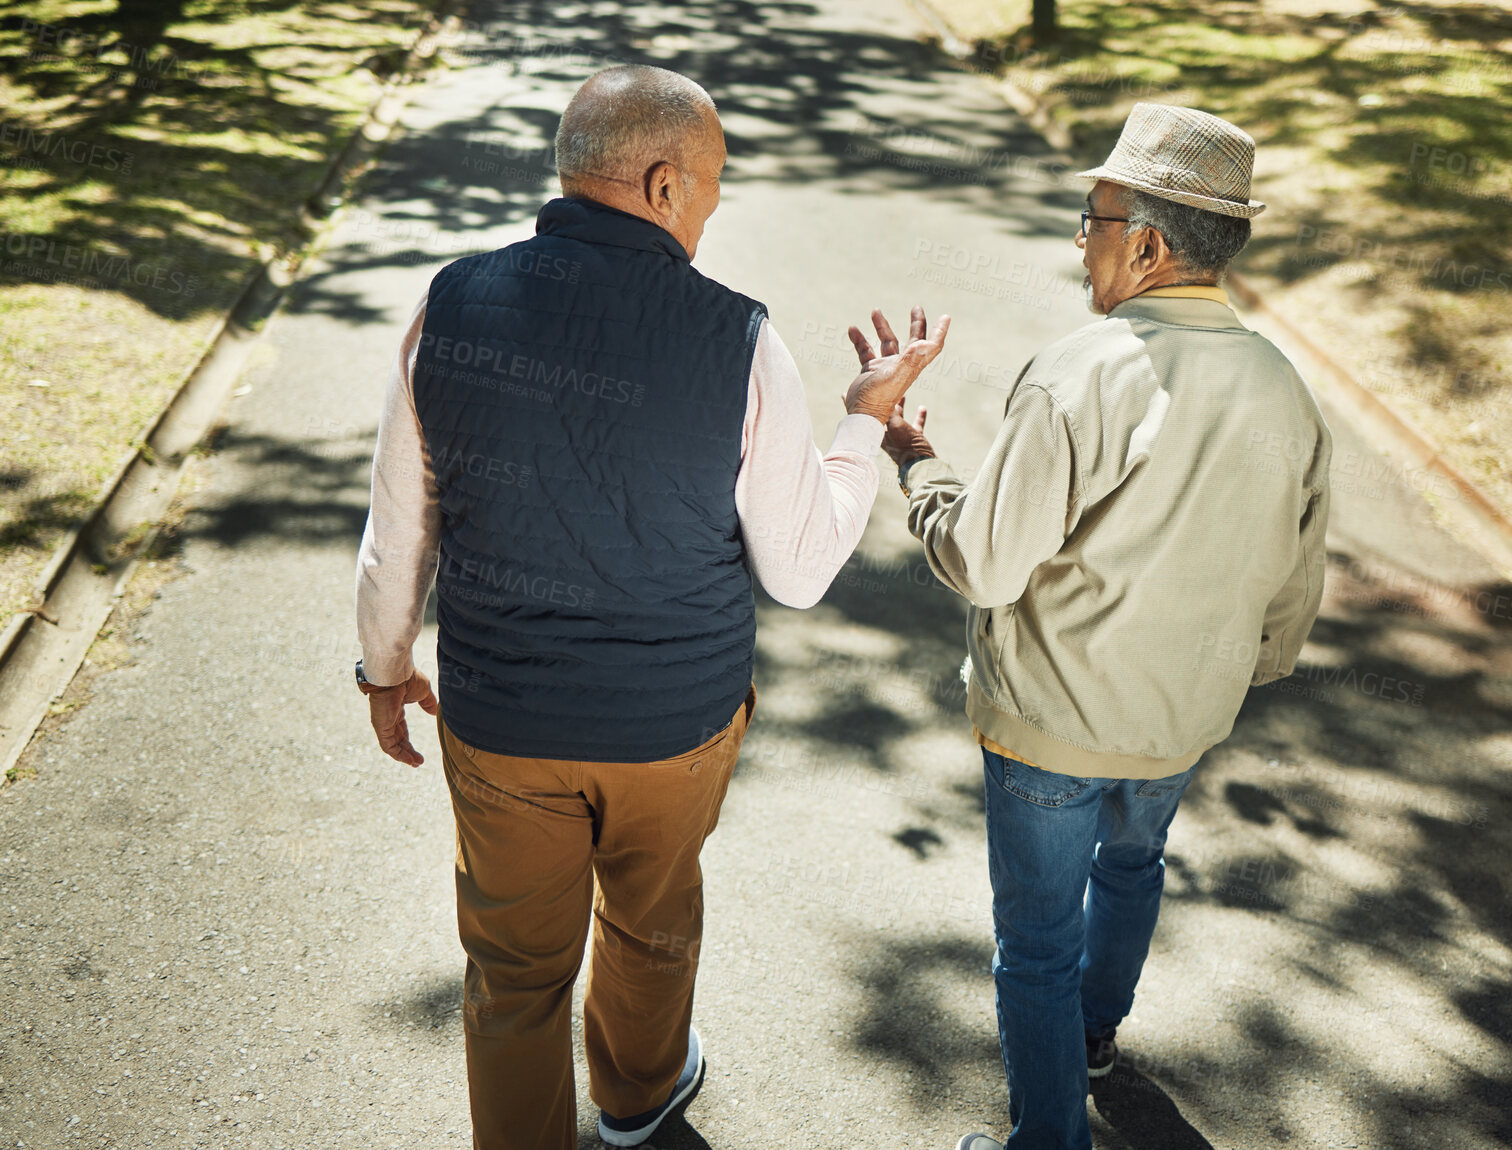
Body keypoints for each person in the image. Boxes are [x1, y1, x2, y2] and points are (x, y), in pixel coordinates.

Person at [353, 64, 948, 1150]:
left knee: (513, 974)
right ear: (663, 183)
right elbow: (801, 566)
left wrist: (385, 666)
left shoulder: (450, 302)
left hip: (504, 726)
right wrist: (864, 425)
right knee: (649, 922)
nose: (714, 212)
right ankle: (634, 1097)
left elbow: (403, 526)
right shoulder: (742, 338)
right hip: (673, 725)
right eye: (712, 188)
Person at [878, 103, 1332, 1150]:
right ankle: (1092, 1040)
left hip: (1051, 720)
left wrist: (918, 466)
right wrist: (1244, 673)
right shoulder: (1285, 389)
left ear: (1150, 243)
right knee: (1133, 868)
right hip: (1181, 719)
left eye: (1092, 218)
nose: (1077, 241)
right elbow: (1290, 594)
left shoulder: (1085, 369)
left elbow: (982, 561)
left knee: (1034, 943)